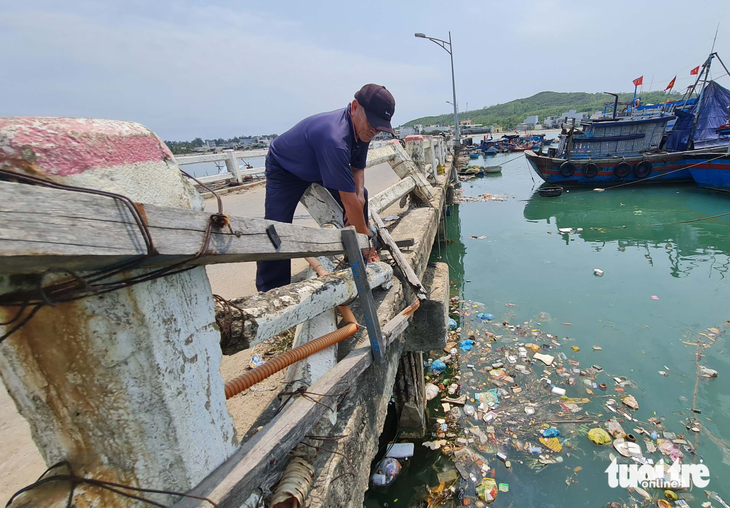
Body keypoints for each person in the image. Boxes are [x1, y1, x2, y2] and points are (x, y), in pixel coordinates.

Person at [256, 84, 396, 292]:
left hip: (319, 166)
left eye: (379, 127)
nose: (375, 131)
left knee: (361, 196)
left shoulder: (364, 130)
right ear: (355, 106)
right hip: (285, 166)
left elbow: (358, 168)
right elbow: (348, 202)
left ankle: (356, 252)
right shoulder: (335, 137)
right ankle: (271, 289)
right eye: (373, 124)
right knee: (277, 227)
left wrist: (359, 197)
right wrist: (366, 238)